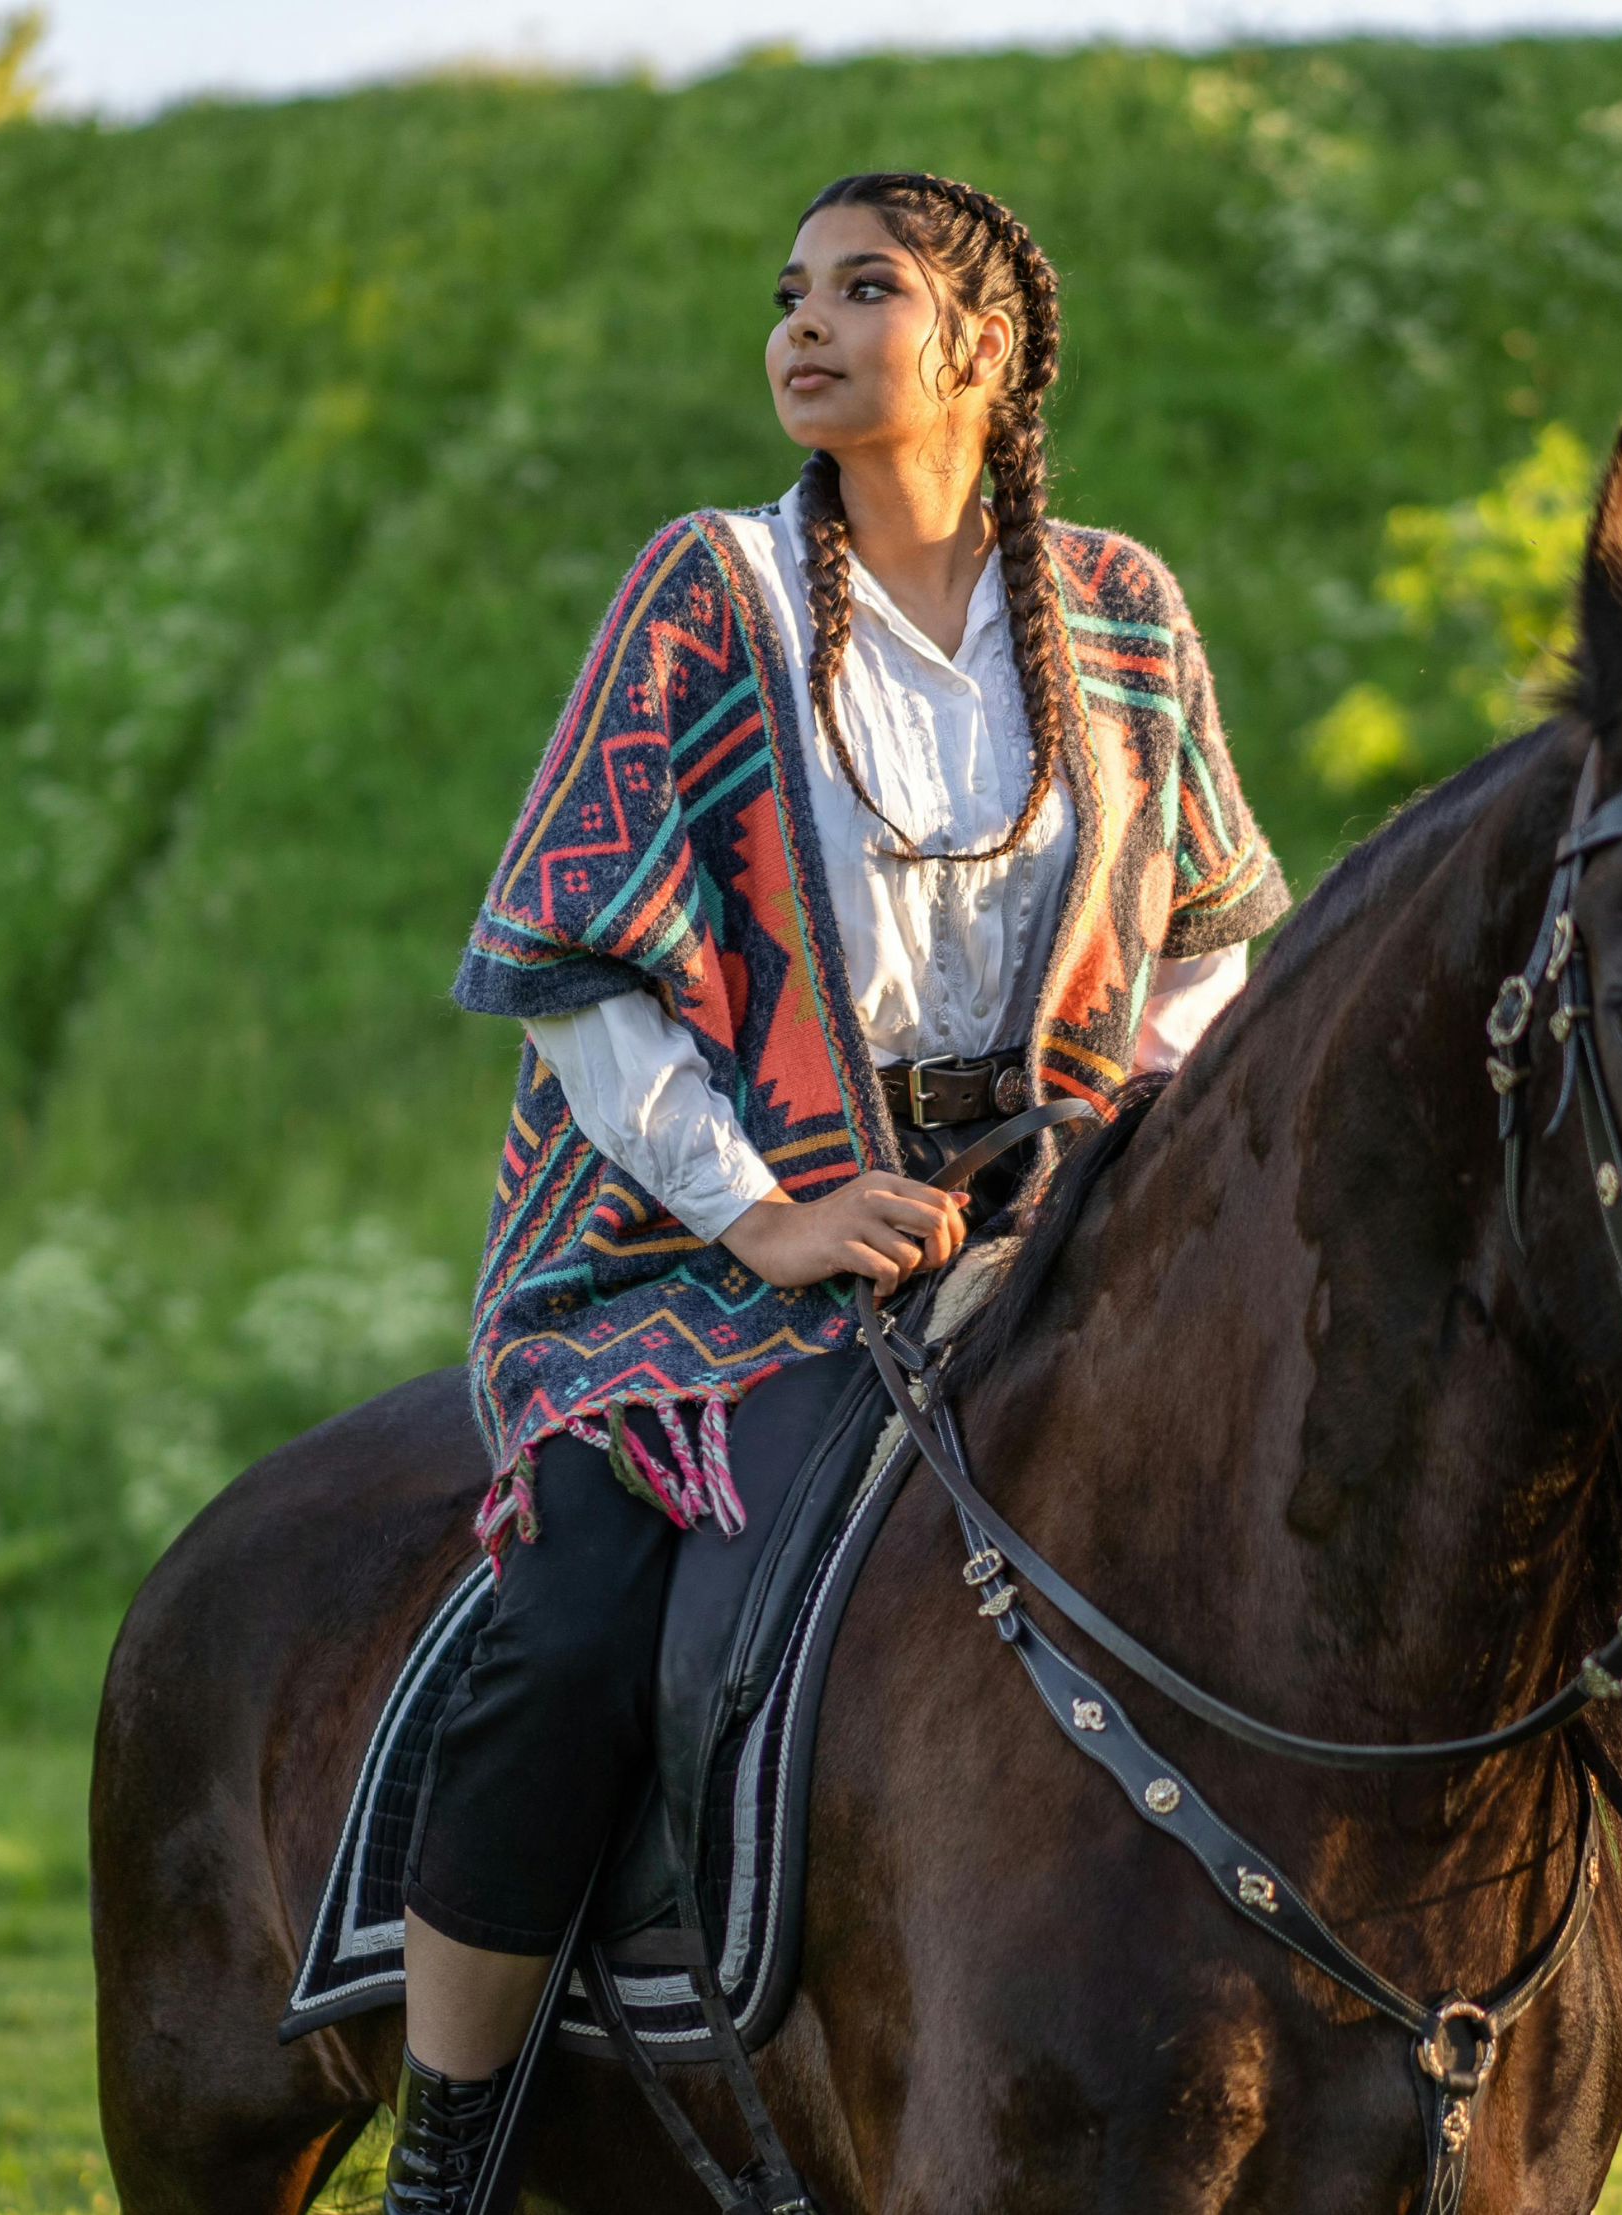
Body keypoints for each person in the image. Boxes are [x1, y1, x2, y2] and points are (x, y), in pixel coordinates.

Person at [388, 169, 1291, 2208]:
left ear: (976, 348)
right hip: (689, 1263)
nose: (804, 324)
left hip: (1047, 1225)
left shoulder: (1125, 611)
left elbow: (1210, 944)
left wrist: (1129, 1137)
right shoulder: (708, 590)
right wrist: (764, 1213)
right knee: (573, 1617)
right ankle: (452, 2144)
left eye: (863, 290)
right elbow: (584, 970)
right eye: (788, 291)